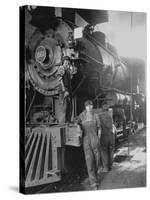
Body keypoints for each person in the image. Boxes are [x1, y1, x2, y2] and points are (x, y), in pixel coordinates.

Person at [75, 100, 101, 190]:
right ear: (85, 107)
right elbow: (76, 122)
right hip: (86, 141)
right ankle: (93, 183)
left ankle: (96, 176)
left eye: (90, 105)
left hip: (95, 139)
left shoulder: (96, 115)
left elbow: (99, 128)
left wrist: (98, 138)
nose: (89, 107)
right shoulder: (82, 115)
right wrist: (78, 127)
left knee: (97, 161)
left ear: (92, 106)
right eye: (87, 106)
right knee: (89, 162)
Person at [99, 101, 115, 172]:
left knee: (104, 151)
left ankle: (105, 168)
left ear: (101, 108)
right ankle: (111, 166)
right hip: (111, 136)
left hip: (104, 136)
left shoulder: (99, 115)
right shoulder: (110, 115)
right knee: (111, 151)